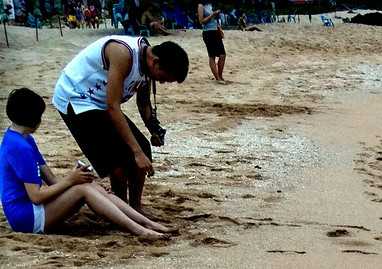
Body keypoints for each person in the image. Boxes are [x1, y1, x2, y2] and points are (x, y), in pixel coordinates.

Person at [2, 86, 168, 239]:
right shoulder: (21, 147)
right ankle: (140, 229)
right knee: (83, 188)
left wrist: (78, 177)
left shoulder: (22, 138)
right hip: (25, 218)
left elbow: (52, 180)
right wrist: (72, 180)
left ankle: (145, 223)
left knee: (87, 182)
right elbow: (36, 197)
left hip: (29, 210)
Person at [52, 34, 188, 210]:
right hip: (76, 98)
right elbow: (113, 108)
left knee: (143, 147)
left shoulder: (147, 64)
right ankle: (122, 210)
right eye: (163, 78)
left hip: (100, 103)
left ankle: (135, 208)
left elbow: (143, 103)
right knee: (117, 162)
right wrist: (136, 152)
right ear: (155, 62)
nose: (161, 82)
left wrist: (153, 129)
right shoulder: (124, 54)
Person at [198, 2, 226, 82]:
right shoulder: (201, 6)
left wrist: (216, 15)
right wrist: (211, 15)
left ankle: (220, 75)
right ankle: (217, 77)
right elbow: (201, 21)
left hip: (215, 30)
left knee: (222, 55)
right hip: (208, 32)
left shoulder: (210, 5)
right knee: (212, 56)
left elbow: (213, 19)